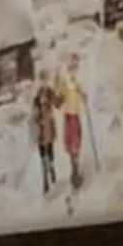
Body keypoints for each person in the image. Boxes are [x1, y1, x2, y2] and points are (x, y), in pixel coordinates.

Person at [59, 59, 89, 194]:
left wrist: (84, 96)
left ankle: (75, 172)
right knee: (72, 145)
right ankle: (74, 174)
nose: (73, 71)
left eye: (75, 68)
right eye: (71, 68)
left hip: (76, 116)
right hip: (69, 116)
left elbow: (83, 96)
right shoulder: (65, 83)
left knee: (76, 145)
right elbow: (59, 96)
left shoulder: (77, 82)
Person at [32, 79, 58, 195]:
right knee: (42, 156)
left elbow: (57, 102)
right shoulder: (36, 98)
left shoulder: (49, 92)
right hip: (40, 129)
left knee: (50, 152)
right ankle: (45, 180)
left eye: (44, 81)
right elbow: (34, 114)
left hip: (48, 127)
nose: (43, 84)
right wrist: (37, 116)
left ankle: (51, 167)